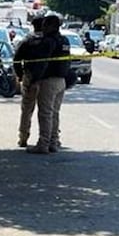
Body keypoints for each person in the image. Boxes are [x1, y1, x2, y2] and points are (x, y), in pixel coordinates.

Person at [27, 14, 70, 155]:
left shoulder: (48, 41)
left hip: (49, 81)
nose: (43, 27)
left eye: (45, 24)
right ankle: (53, 142)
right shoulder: (64, 40)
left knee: (45, 113)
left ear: (52, 26)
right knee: (54, 113)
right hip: (61, 81)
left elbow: (42, 63)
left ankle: (43, 144)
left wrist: (34, 80)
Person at [13, 17, 47, 147]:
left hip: (30, 76)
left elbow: (16, 59)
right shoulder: (48, 41)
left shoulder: (27, 40)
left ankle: (23, 137)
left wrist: (20, 75)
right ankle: (46, 138)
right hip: (45, 78)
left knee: (27, 109)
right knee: (46, 110)